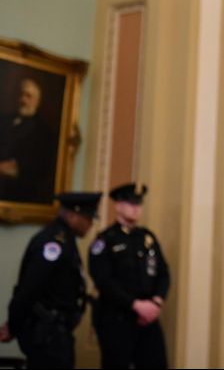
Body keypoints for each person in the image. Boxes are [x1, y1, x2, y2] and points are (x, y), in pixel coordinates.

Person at [0, 191, 102, 368]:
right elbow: (28, 290)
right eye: (87, 217)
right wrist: (14, 325)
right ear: (72, 215)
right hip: (48, 336)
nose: (91, 223)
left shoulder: (65, 239)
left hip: (55, 334)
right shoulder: (54, 243)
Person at [89, 183, 170, 368]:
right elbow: (103, 280)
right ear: (117, 205)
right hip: (118, 319)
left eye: (139, 203)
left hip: (148, 317)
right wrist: (135, 305)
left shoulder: (147, 238)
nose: (136, 208)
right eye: (130, 203)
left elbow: (163, 273)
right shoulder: (105, 240)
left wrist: (156, 302)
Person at [0, 78, 57, 203]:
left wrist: (15, 168)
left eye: (28, 96)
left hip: (21, 193)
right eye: (21, 94)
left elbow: (42, 169)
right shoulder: (4, 121)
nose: (23, 100)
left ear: (37, 101)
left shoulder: (45, 132)